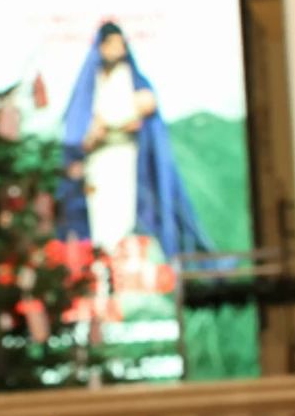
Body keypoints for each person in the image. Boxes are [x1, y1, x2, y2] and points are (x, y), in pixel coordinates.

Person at [55, 21, 210, 269]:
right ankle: (102, 272)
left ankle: (126, 272)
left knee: (124, 219)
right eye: (110, 44)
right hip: (98, 161)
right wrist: (93, 132)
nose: (116, 50)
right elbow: (79, 128)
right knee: (100, 222)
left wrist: (110, 121)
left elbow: (145, 105)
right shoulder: (92, 82)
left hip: (126, 157)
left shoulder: (131, 79)